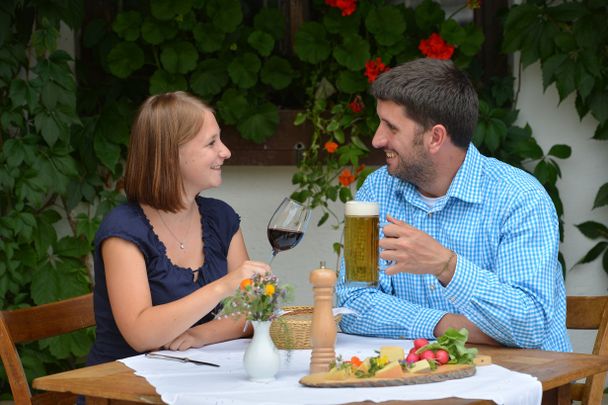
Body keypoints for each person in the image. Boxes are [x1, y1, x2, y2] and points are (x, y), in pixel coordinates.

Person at [336, 58, 572, 352]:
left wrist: (446, 266)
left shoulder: (520, 198)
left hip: (524, 385)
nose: (376, 139)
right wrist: (447, 325)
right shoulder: (376, 191)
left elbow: (529, 324)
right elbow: (351, 304)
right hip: (423, 381)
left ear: (435, 137)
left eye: (391, 128)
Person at [87, 91, 270, 366]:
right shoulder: (123, 231)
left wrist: (200, 335)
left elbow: (251, 312)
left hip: (197, 377)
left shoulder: (220, 218)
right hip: (123, 388)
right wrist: (223, 287)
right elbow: (141, 334)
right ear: (171, 155)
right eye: (211, 143)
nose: (226, 151)